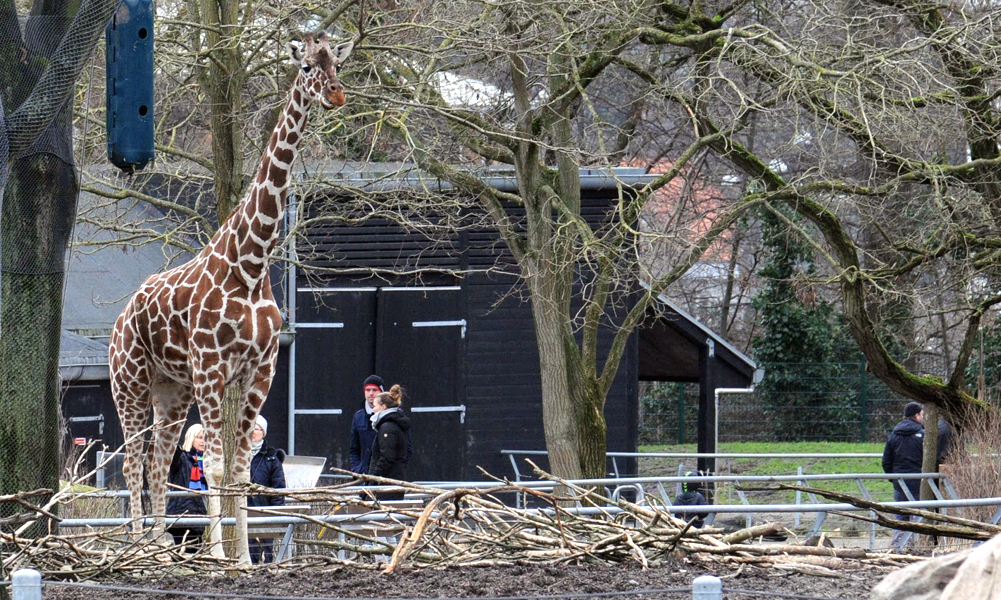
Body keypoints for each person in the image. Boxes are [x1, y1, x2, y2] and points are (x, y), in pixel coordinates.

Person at [882, 401, 924, 546]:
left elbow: (886, 461)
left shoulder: (894, 435)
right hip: (919, 482)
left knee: (900, 514)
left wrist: (893, 478)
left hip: (900, 482)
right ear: (917, 415)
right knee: (918, 514)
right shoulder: (923, 435)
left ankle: (898, 545)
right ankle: (916, 546)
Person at [248, 415, 287, 563]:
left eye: (257, 429)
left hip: (265, 511)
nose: (253, 432)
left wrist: (275, 514)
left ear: (263, 432)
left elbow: (278, 488)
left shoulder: (272, 457)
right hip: (244, 510)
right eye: (251, 428)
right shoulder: (238, 454)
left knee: (266, 552)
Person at [167, 423, 208, 551]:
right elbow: (172, 458)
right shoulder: (181, 457)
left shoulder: (207, 460)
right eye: (199, 437)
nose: (203, 441)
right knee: (184, 553)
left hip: (200, 513)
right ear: (191, 438)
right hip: (180, 513)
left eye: (205, 438)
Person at [368, 384, 412, 501]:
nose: (373, 409)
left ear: (383, 407)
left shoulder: (387, 427)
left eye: (375, 405)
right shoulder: (396, 424)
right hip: (394, 478)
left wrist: (372, 477)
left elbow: (387, 457)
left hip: (387, 482)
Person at [349, 374, 383, 474]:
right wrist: (357, 469)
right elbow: (354, 449)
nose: (371, 393)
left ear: (381, 391)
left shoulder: (390, 415)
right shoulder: (358, 417)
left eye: (374, 390)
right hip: (363, 475)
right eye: (368, 390)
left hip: (383, 477)